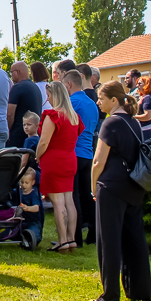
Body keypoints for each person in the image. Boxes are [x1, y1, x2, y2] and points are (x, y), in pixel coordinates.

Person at [90, 79, 151, 301]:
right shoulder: (134, 122)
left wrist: (92, 185)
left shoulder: (110, 123)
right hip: (133, 185)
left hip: (111, 186)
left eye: (101, 99)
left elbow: (98, 161)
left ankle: (110, 295)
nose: (98, 102)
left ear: (113, 100)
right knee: (134, 239)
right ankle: (140, 290)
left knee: (109, 241)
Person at [34, 80, 81, 252]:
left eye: (49, 96)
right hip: (70, 159)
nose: (48, 100)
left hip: (54, 160)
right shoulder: (74, 116)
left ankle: (62, 240)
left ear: (55, 95)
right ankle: (71, 239)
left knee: (58, 202)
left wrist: (37, 156)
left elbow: (44, 141)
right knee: (69, 200)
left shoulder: (52, 115)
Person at [66, 68, 101, 248]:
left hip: (74, 152)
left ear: (69, 84)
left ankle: (76, 236)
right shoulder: (92, 103)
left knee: (74, 196)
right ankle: (94, 235)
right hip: (88, 152)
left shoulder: (72, 102)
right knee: (88, 196)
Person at [6, 61, 42, 150]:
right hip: (33, 134)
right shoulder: (35, 87)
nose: (11, 75)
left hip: (18, 135)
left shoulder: (17, 87)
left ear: (17, 71)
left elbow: (10, 114)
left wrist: (8, 131)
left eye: (11, 72)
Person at [15, 168, 46, 239]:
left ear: (33, 182)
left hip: (32, 222)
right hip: (21, 222)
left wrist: (27, 208)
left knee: (35, 236)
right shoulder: (19, 192)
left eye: (26, 183)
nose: (24, 185)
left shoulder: (33, 194)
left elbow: (36, 208)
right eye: (22, 182)